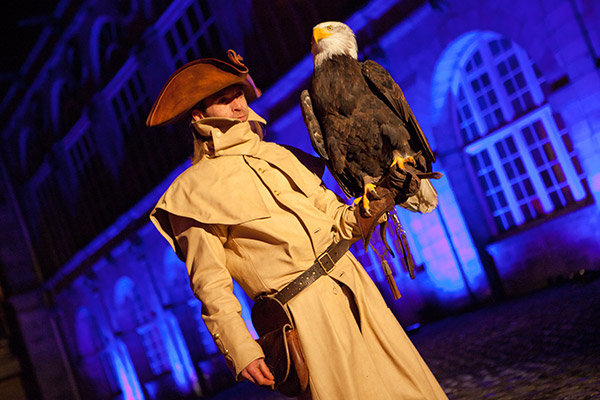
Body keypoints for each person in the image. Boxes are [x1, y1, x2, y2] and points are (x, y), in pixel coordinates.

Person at [147, 50, 447, 399]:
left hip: (356, 287)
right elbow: (209, 283)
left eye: (239, 94)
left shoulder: (283, 155)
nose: (238, 106)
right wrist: (241, 348)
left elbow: (339, 221)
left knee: (411, 391)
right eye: (224, 100)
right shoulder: (190, 193)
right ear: (200, 115)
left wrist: (381, 196)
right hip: (303, 317)